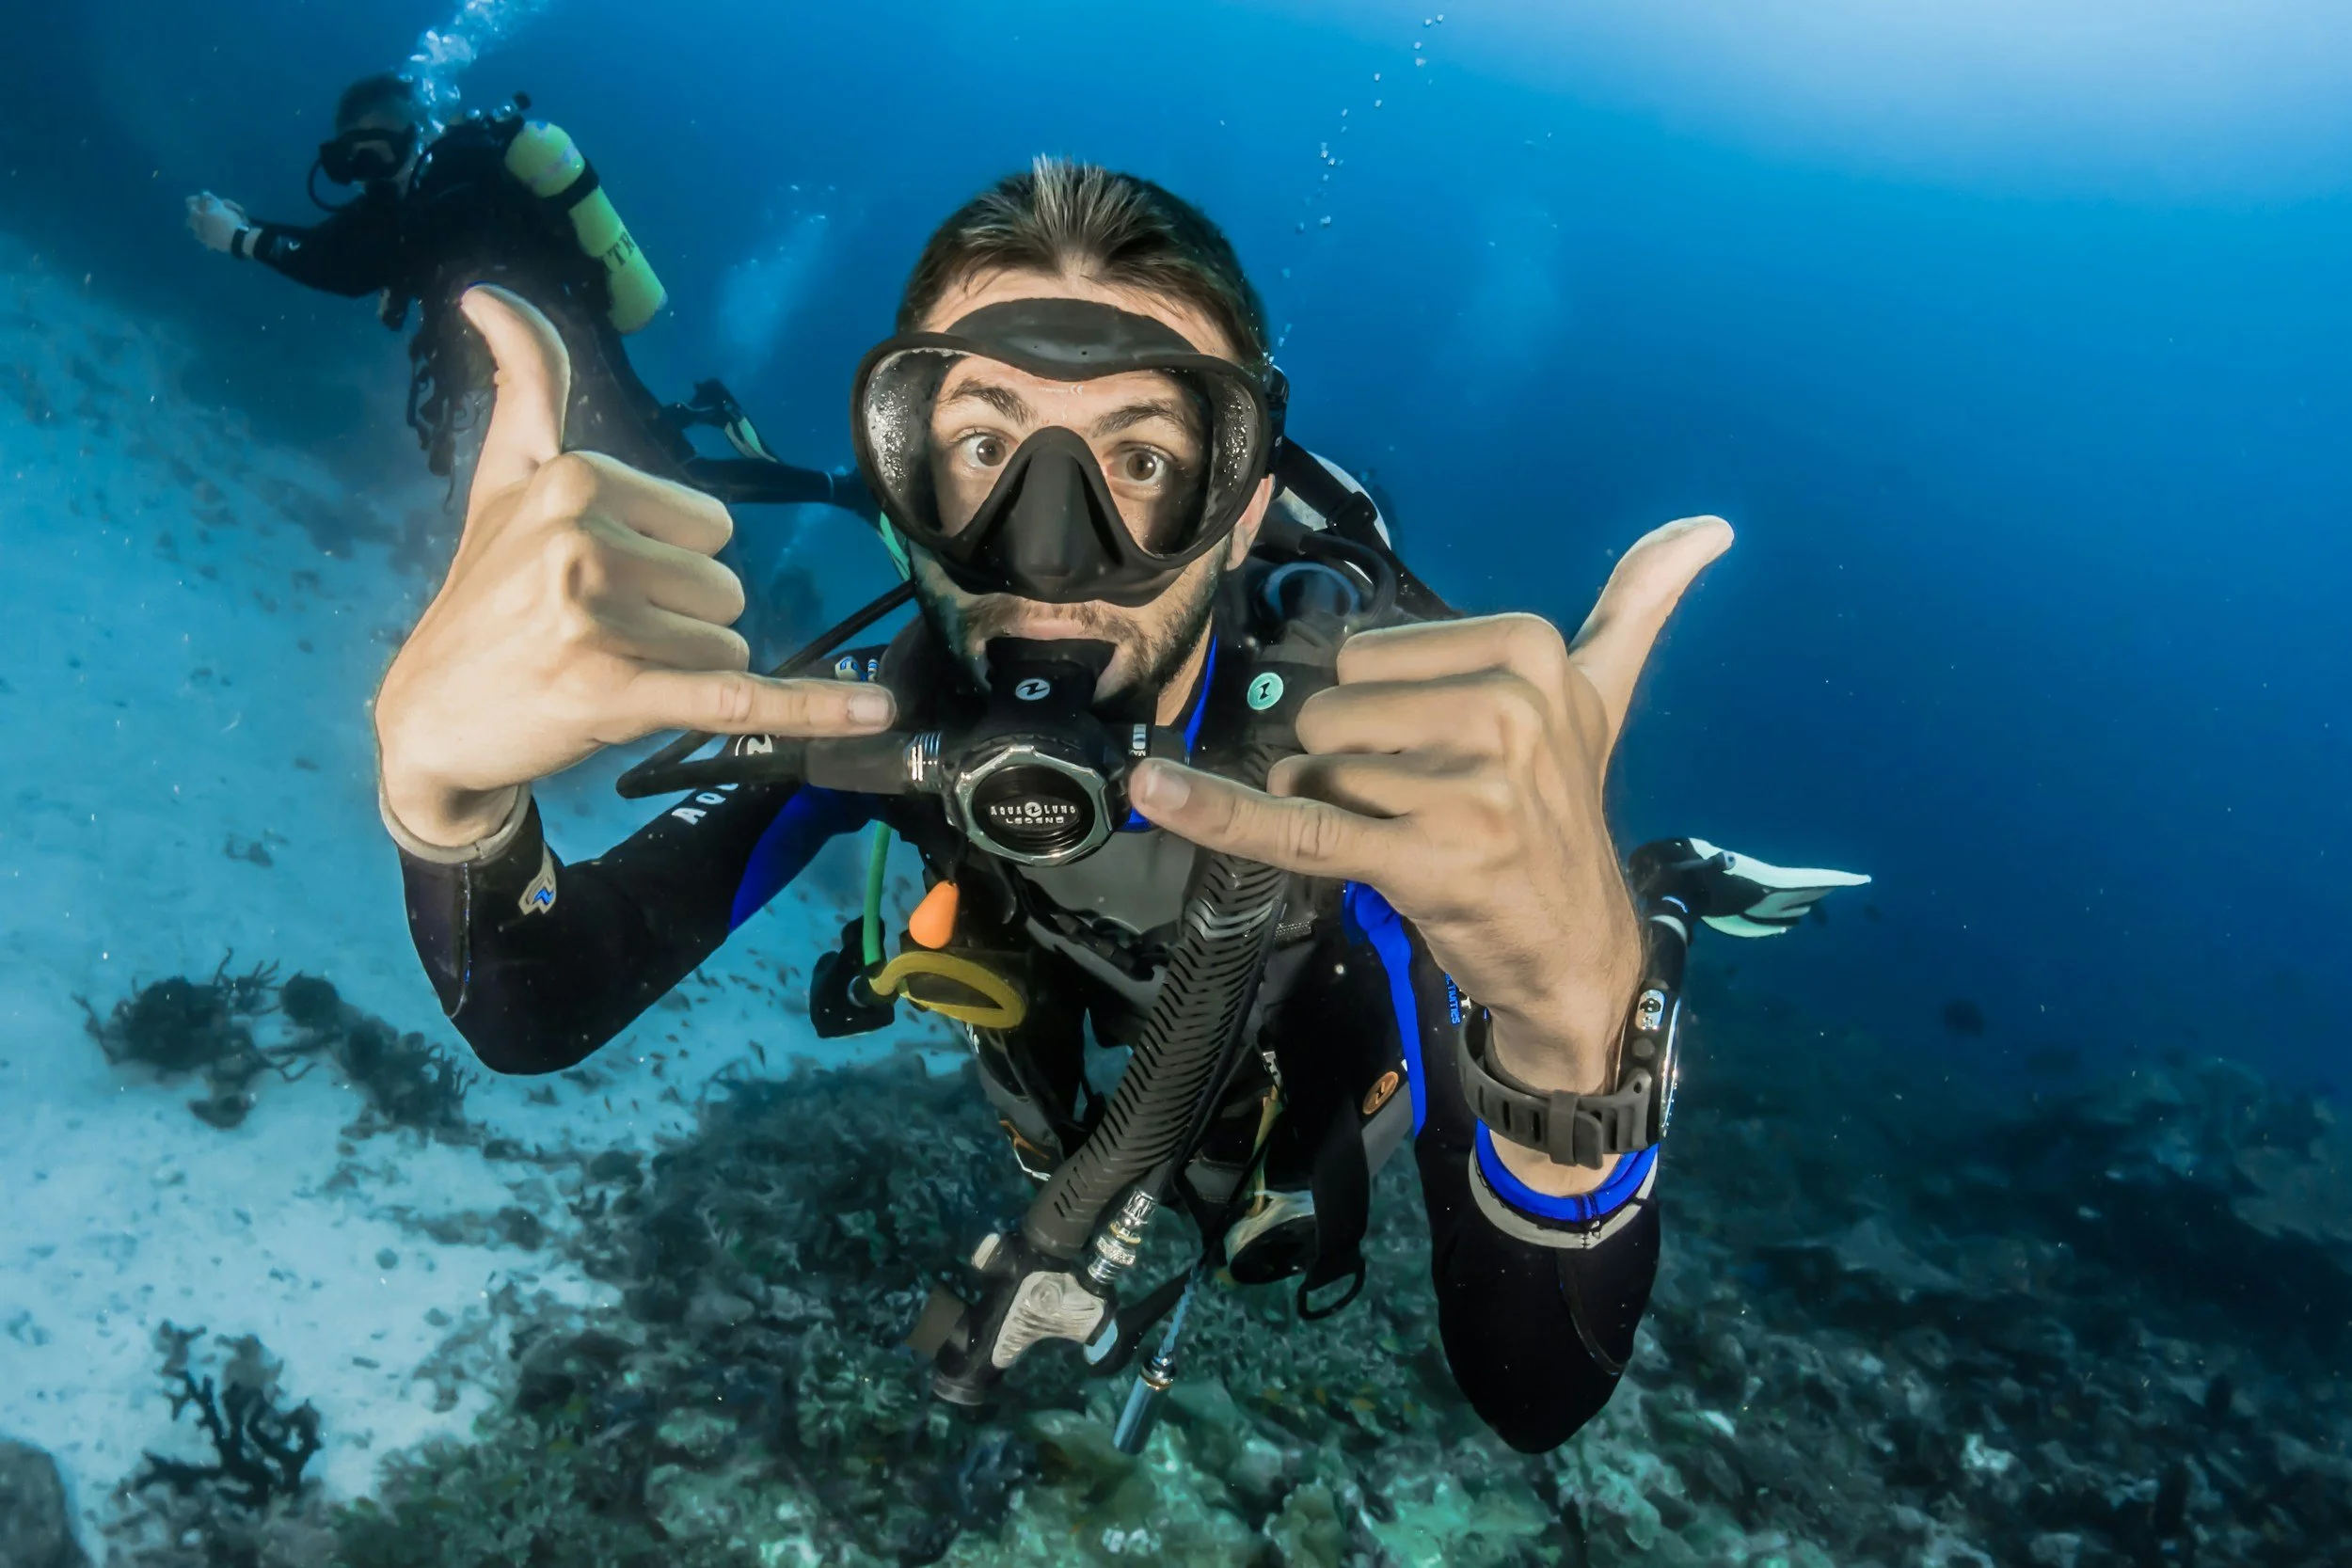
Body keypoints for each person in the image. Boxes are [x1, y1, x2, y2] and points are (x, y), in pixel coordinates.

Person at [369, 159, 1865, 1451]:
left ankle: (1652, 898)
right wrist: (442, 792)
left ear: (1241, 508)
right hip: (1094, 1106)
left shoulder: (1372, 772)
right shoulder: (881, 703)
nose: (1051, 544)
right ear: (900, 479)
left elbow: (1535, 1383)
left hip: (1308, 1077)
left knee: (1518, 979)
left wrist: (1572, 1029)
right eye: (980, 443)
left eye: (1145, 457)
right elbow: (536, 1001)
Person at [184, 71, 862, 518]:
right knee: (604, 458)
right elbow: (346, 245)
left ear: (408, 140)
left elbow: (351, 264)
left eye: (373, 159)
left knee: (682, 481)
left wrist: (243, 242)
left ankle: (846, 491)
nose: (363, 179)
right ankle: (702, 408)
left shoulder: (450, 178)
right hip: (544, 353)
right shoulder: (418, 191)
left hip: (569, 342)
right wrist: (249, 228)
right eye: (348, 164)